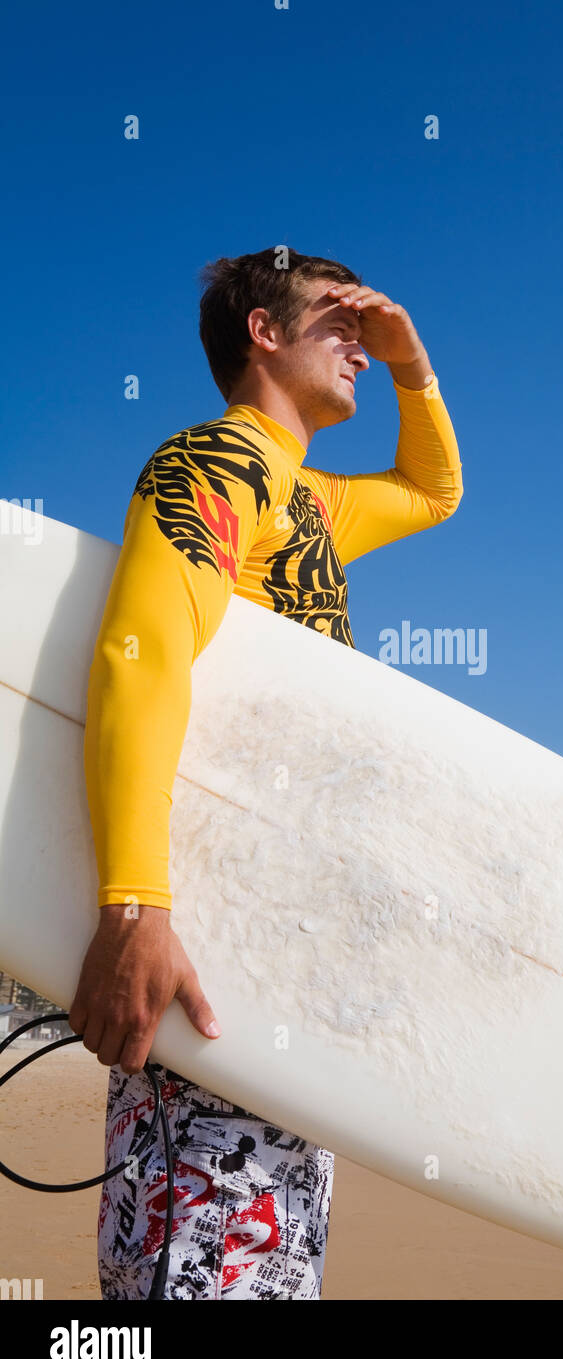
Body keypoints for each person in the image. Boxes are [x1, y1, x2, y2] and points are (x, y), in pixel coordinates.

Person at [69, 246, 464, 1299]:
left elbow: (431, 491)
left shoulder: (314, 504)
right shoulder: (213, 464)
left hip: (278, 986)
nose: (361, 348)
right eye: (339, 320)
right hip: (200, 962)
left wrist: (413, 365)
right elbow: (139, 654)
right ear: (263, 332)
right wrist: (132, 908)